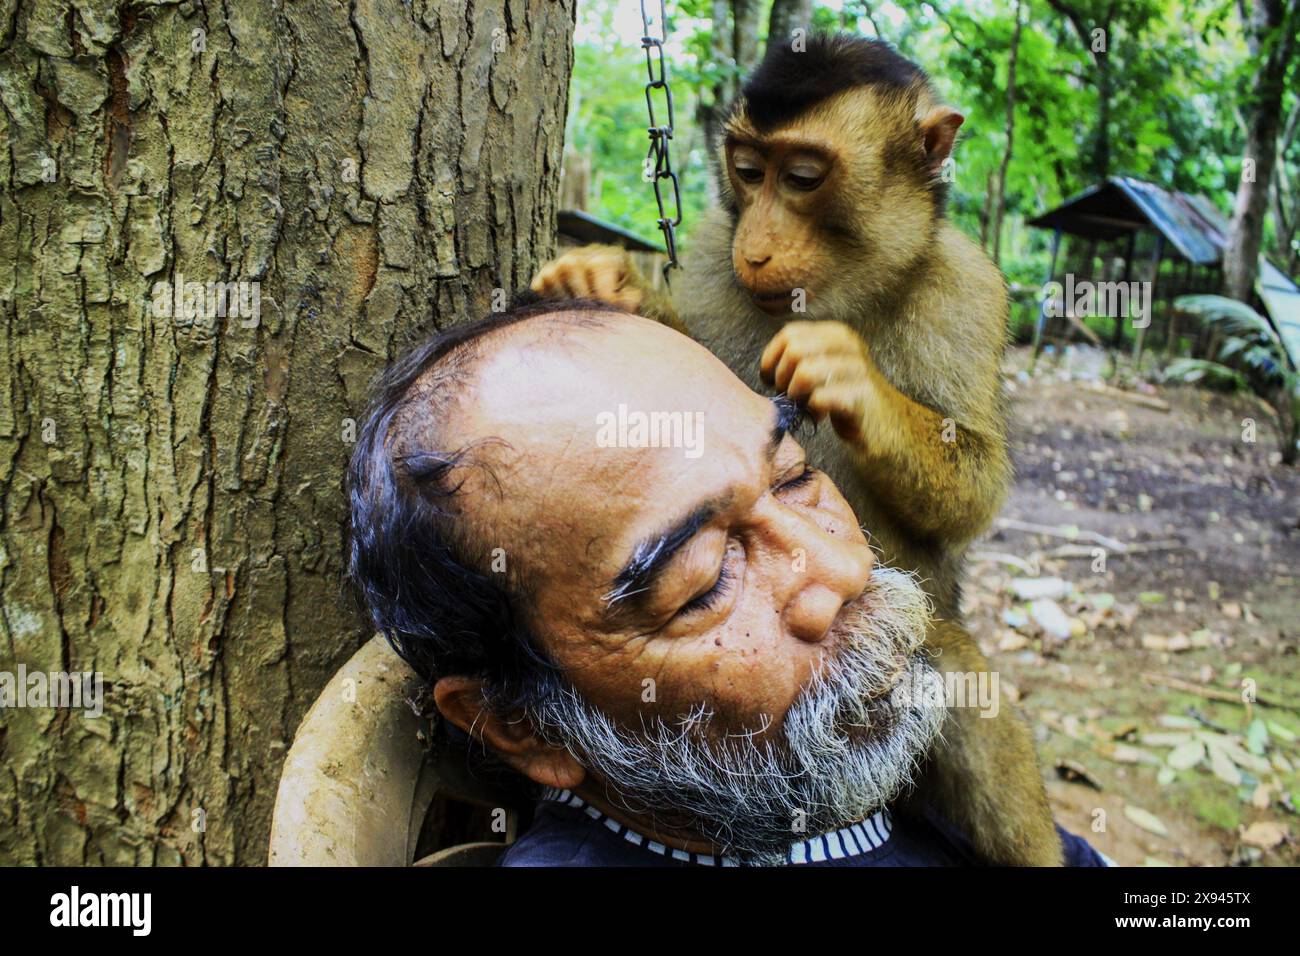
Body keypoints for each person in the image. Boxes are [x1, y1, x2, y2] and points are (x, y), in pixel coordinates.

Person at [345, 296, 1106, 867]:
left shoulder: (886, 777)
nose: (846, 570)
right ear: (526, 725)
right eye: (706, 582)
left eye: (796, 477)